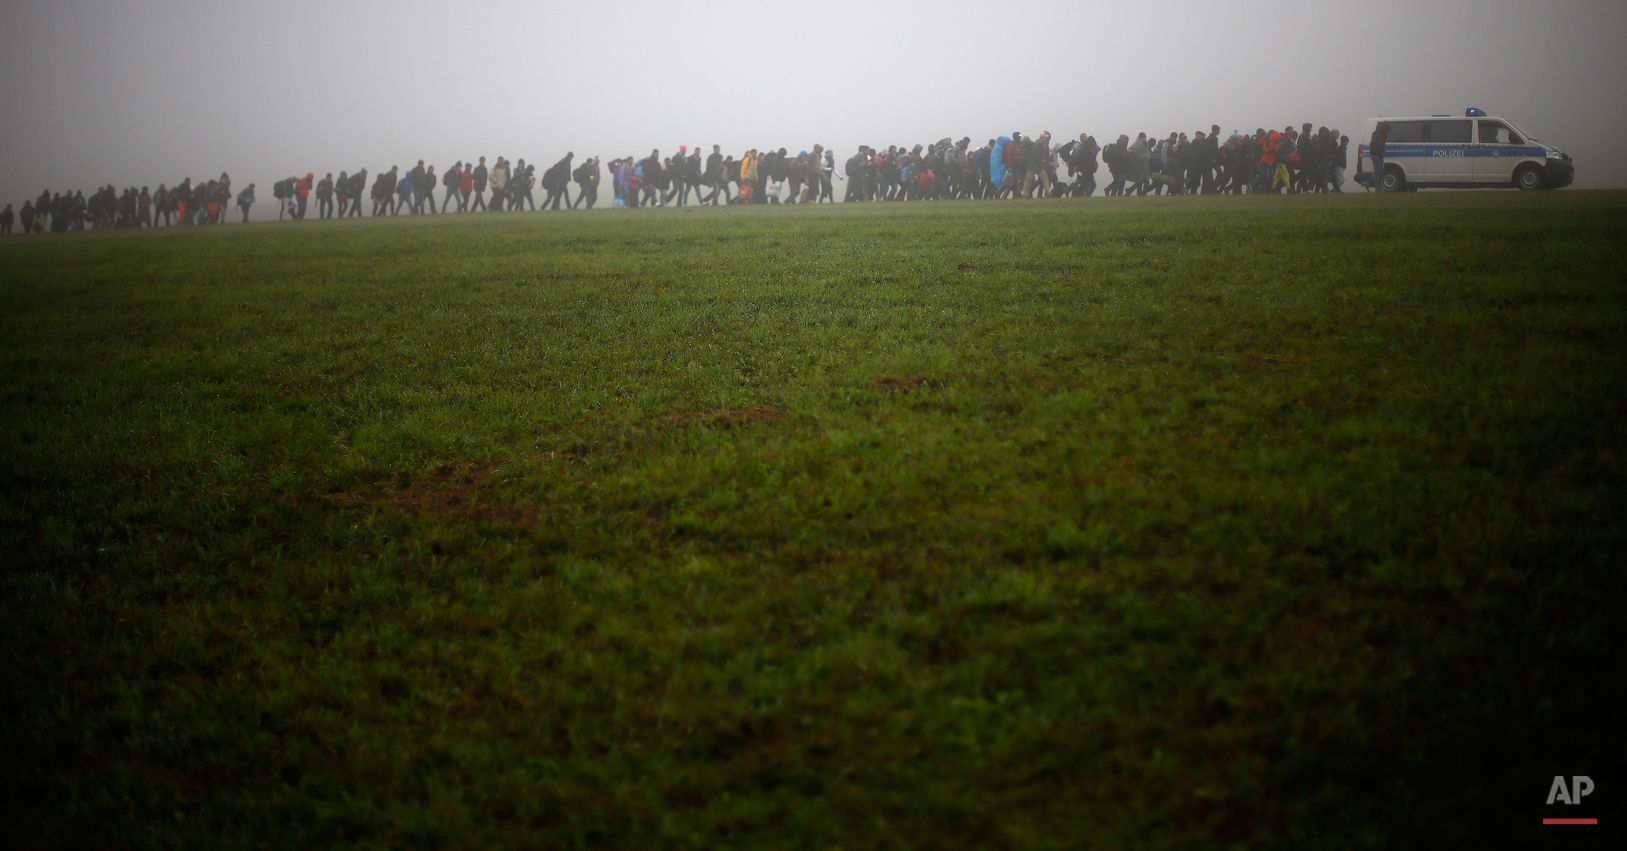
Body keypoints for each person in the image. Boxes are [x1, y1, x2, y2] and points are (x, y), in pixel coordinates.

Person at [1367, 122, 1388, 191]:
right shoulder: (1378, 134)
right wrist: (1377, 149)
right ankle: (1377, 187)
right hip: (1376, 155)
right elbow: (1373, 143)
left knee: (1380, 171)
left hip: (1380, 155)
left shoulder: (1382, 134)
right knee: (1377, 172)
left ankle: (1368, 181)